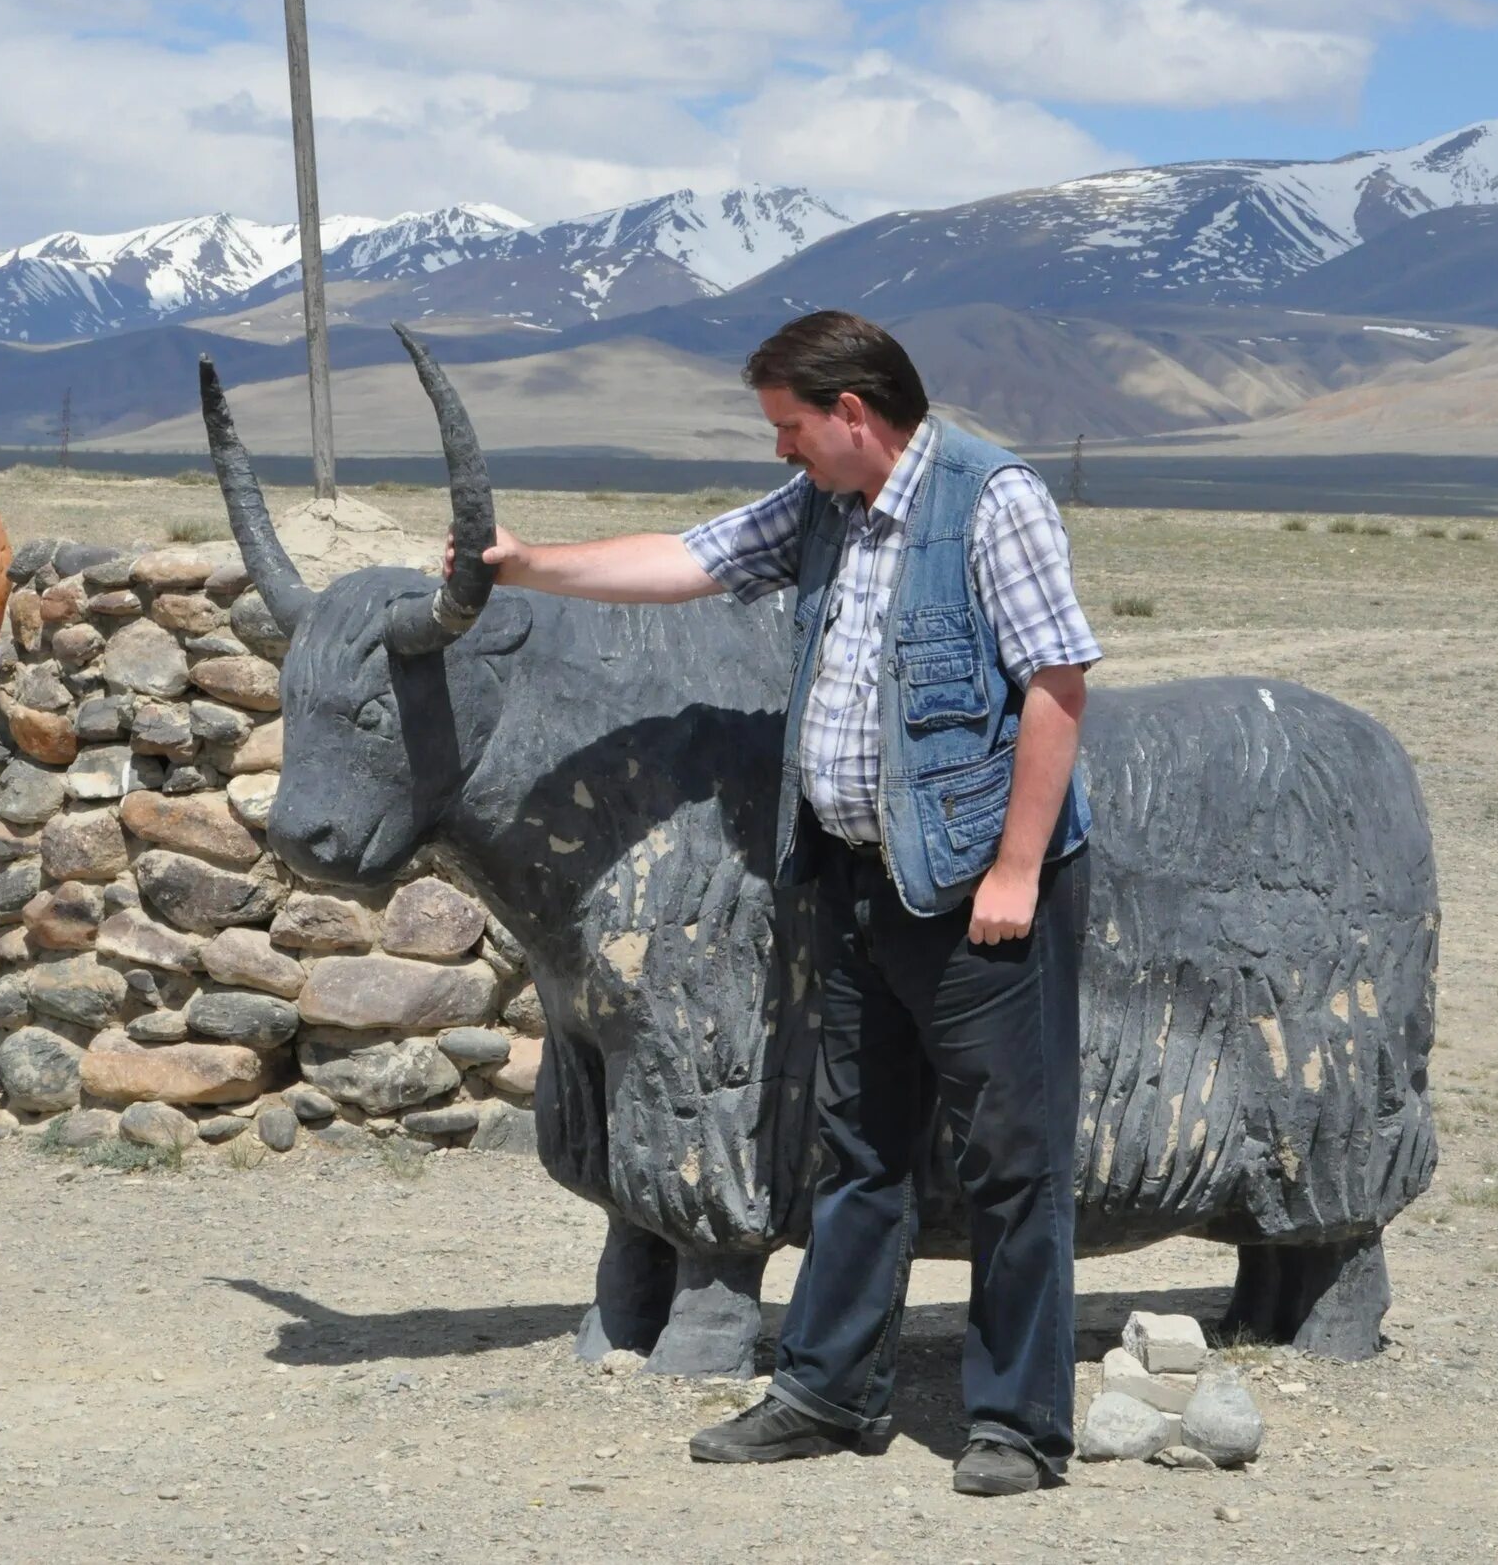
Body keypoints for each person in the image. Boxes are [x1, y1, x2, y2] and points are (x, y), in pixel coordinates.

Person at [460, 309, 1100, 1496]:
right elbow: (689, 558)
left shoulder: (993, 498)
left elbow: (1057, 682)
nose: (780, 451)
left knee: (1013, 1160)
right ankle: (826, 1390)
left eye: (789, 427)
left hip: (974, 892)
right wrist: (526, 564)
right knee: (855, 1148)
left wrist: (1014, 870)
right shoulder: (825, 505)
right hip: (855, 875)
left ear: (853, 414)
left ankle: (1015, 1422)